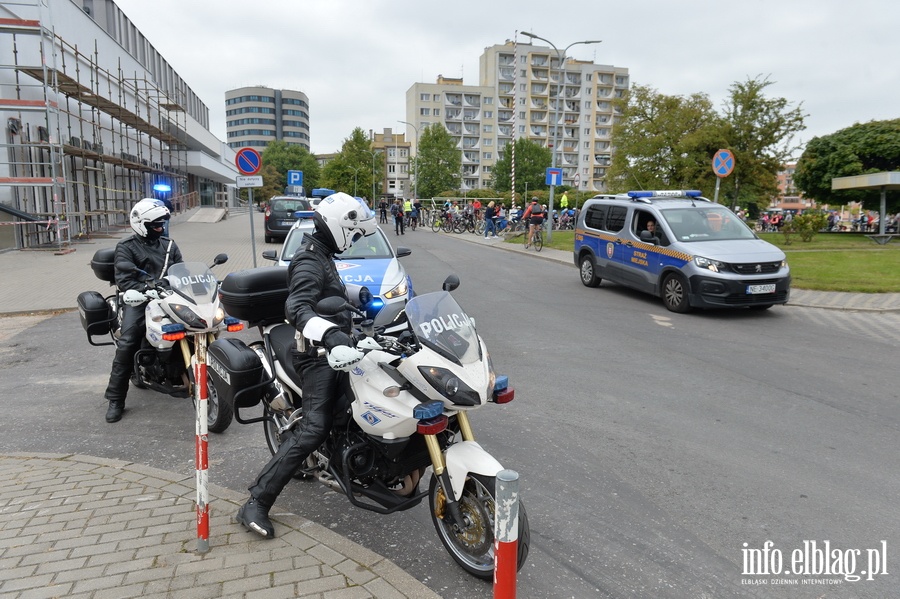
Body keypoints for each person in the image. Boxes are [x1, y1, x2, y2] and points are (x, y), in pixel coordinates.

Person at [237, 192, 377, 539]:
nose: (357, 238)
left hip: (339, 346)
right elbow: (298, 307)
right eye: (355, 232)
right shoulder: (309, 260)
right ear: (339, 226)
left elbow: (327, 293)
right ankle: (256, 501)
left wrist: (358, 297)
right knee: (314, 427)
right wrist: (329, 336)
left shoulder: (323, 254)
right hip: (315, 355)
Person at [103, 198, 183, 423]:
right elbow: (125, 280)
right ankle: (116, 399)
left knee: (196, 326)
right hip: (139, 301)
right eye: (155, 223)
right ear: (140, 223)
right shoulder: (126, 247)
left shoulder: (169, 245)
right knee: (128, 340)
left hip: (168, 299)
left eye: (163, 222)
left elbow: (181, 271)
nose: (161, 227)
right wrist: (147, 291)